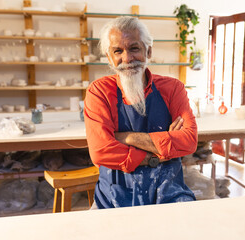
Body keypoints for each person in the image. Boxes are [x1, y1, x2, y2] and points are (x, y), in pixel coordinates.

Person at [84, 16, 197, 209]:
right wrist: (157, 154)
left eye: (134, 48)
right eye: (118, 51)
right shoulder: (99, 91)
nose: (127, 58)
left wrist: (126, 137)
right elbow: (101, 151)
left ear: (149, 51)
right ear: (109, 57)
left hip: (169, 192)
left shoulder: (173, 88)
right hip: (114, 196)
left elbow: (188, 141)